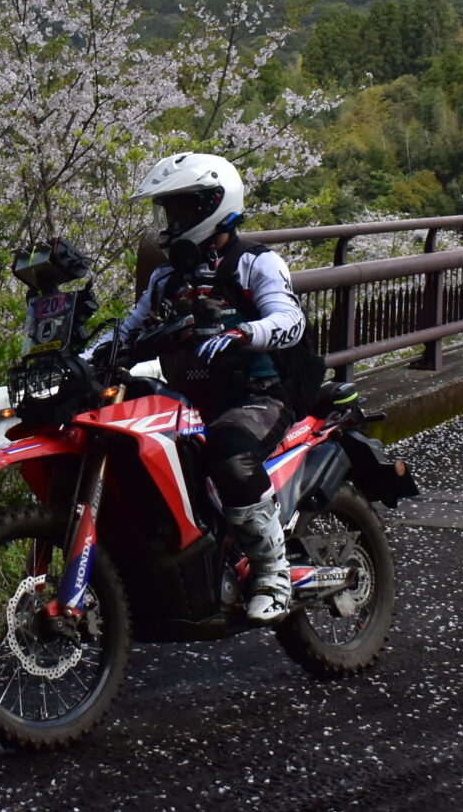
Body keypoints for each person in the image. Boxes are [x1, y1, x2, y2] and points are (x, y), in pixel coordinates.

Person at [93, 151, 309, 623]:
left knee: (229, 454)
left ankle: (273, 571)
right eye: (167, 211)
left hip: (256, 396)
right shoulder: (166, 278)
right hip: (190, 401)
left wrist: (244, 332)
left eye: (181, 210)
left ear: (214, 203)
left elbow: (290, 319)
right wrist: (90, 357)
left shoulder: (255, 263)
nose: (171, 223)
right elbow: (128, 330)